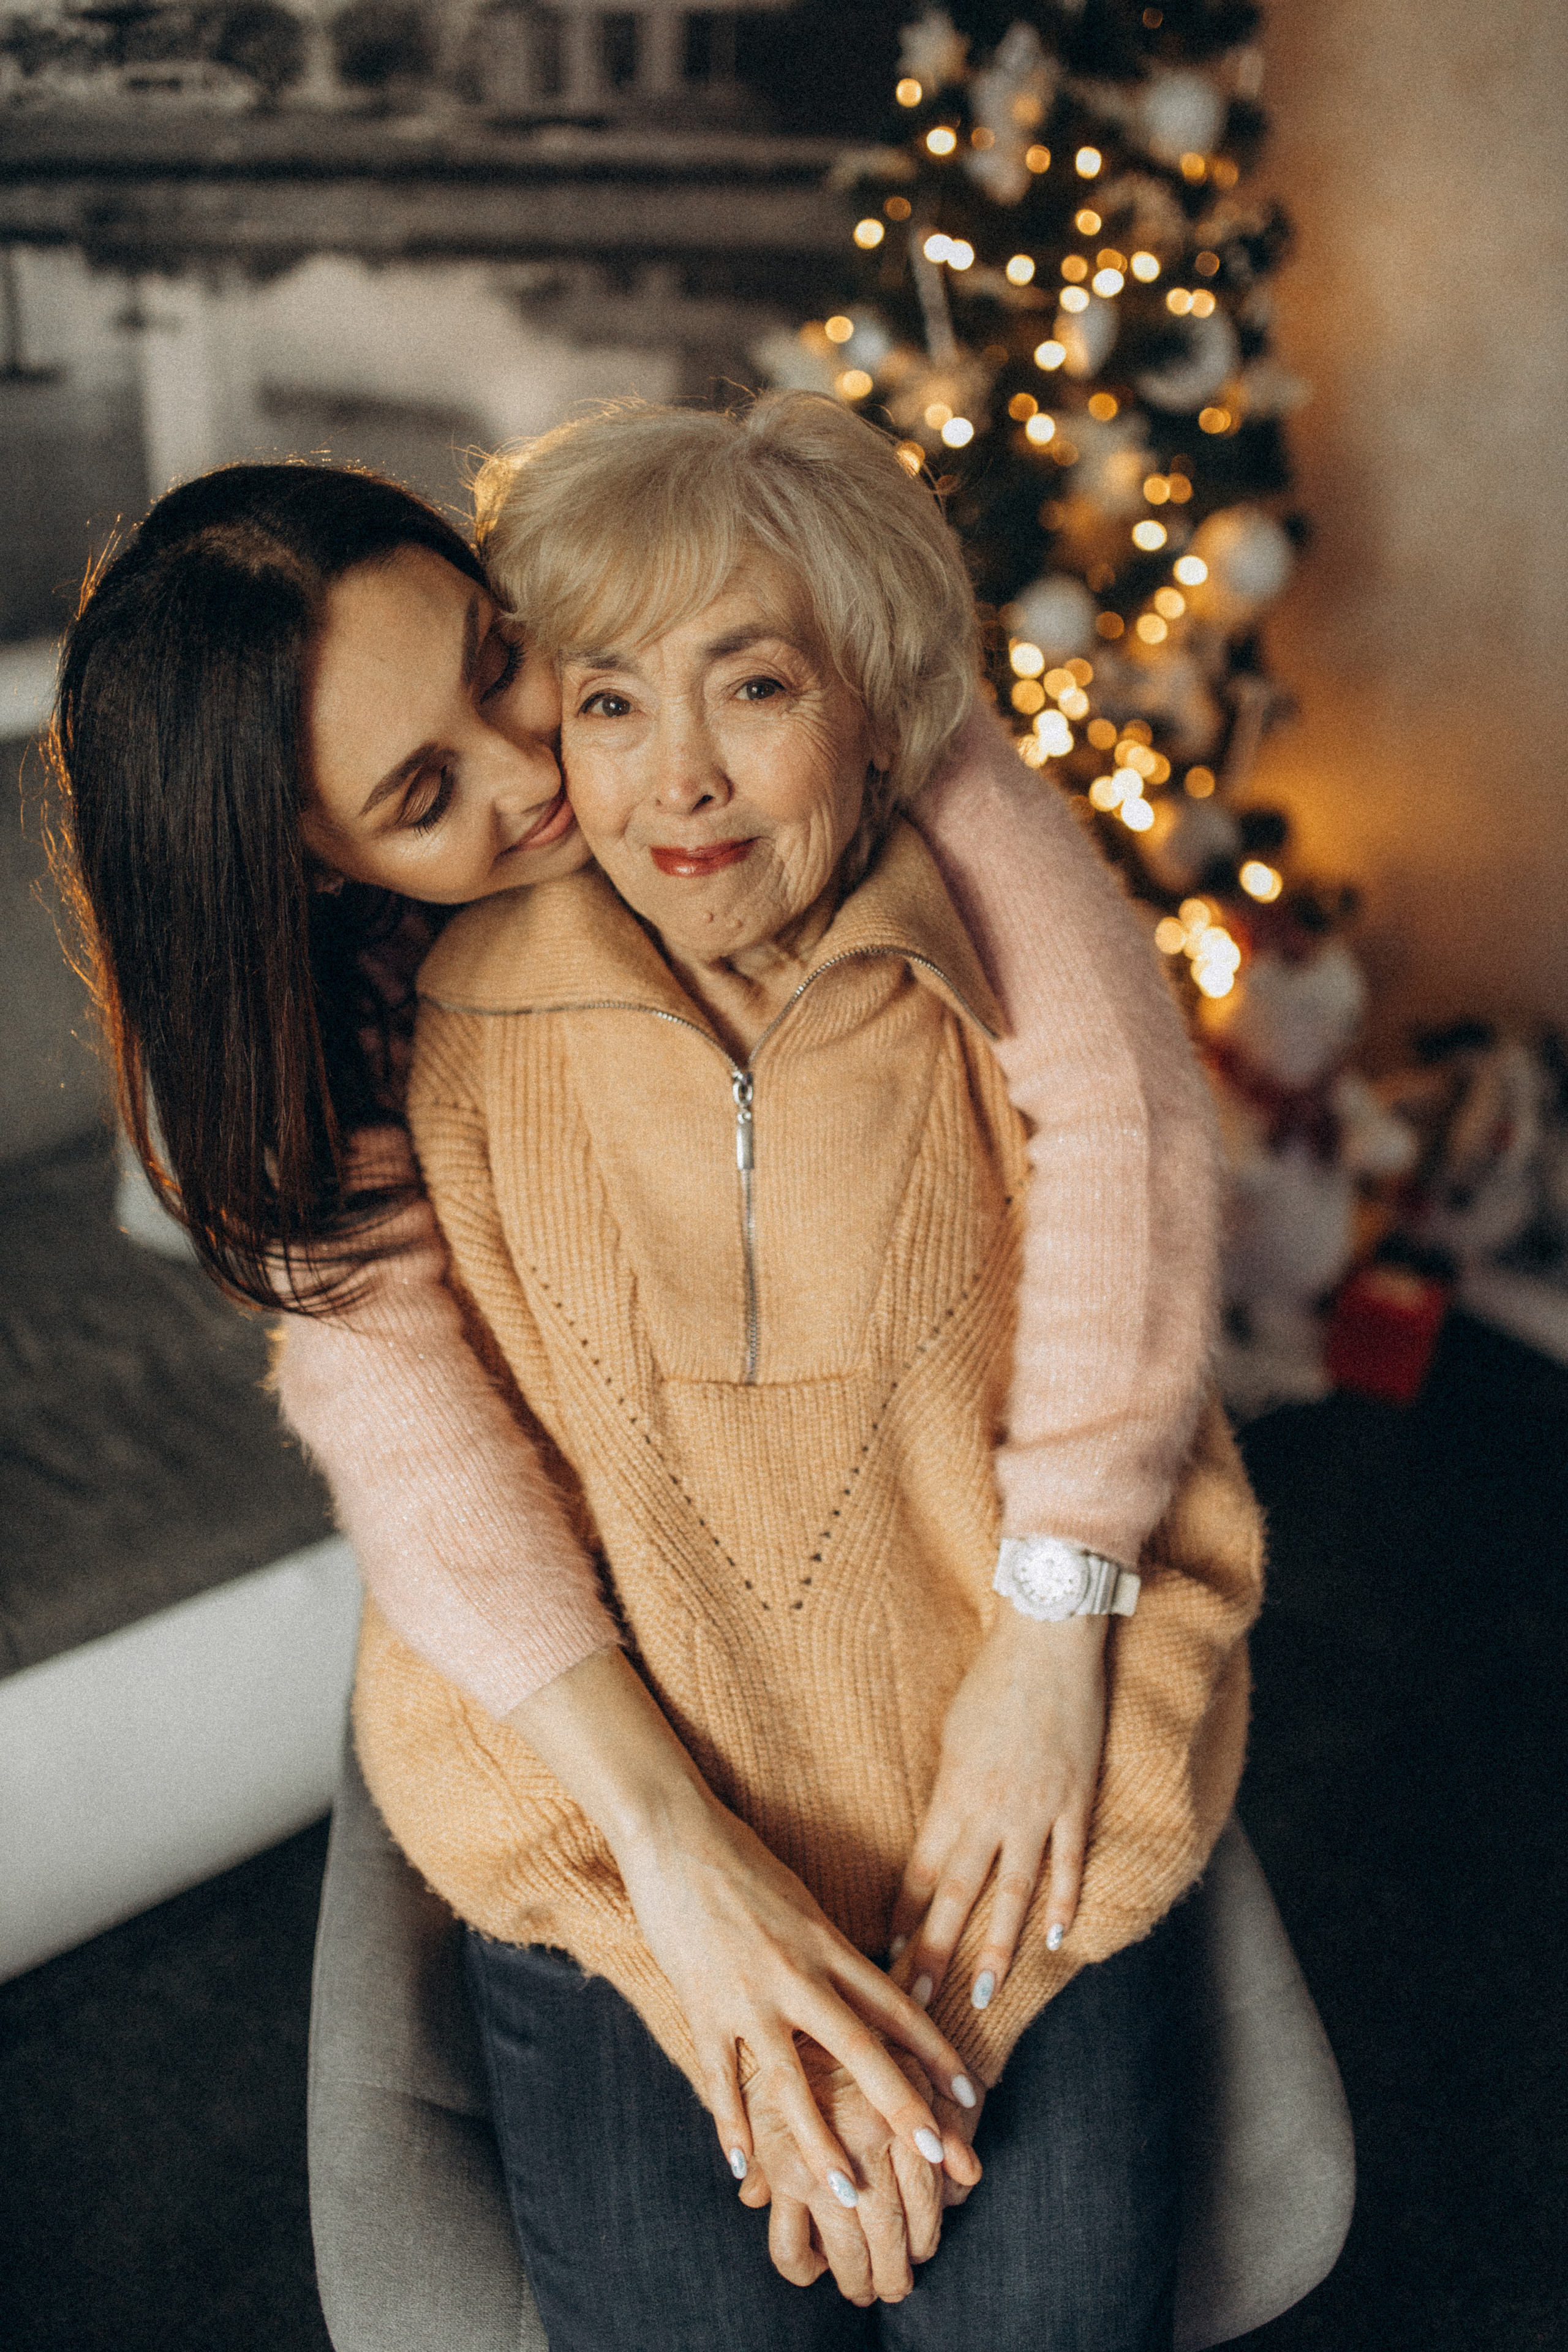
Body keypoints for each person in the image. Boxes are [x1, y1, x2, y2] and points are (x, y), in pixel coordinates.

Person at [49, 418, 1257, 2343]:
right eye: (425, 791)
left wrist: (1056, 1625)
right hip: (617, 1789)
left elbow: (1121, 1115)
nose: (556, 769)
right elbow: (419, 1449)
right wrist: (686, 1877)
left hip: (996, 1732)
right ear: (320, 858)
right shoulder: (349, 1021)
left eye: (501, 664)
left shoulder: (831, 719)